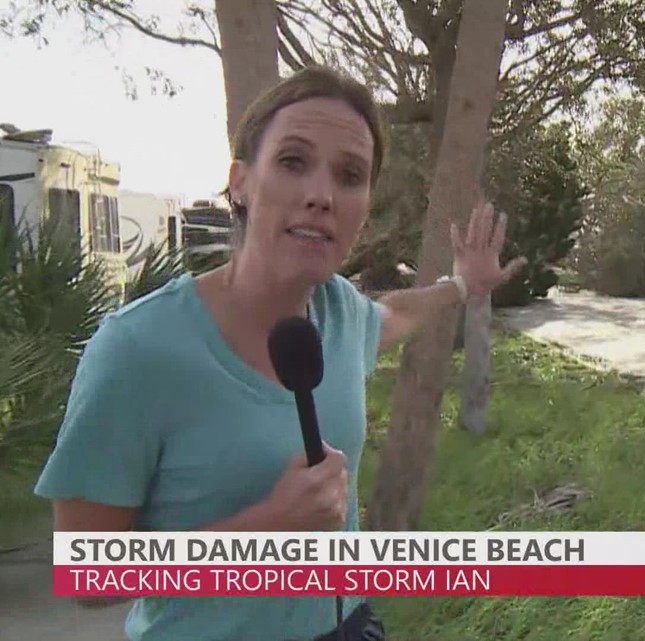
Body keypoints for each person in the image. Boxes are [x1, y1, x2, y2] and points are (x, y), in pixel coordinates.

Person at [33, 65, 525, 641]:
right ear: (240, 182)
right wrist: (270, 528)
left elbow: (398, 313)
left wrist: (463, 285)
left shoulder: (339, 312)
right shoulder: (138, 351)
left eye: (350, 175)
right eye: (293, 162)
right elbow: (87, 576)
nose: (321, 195)